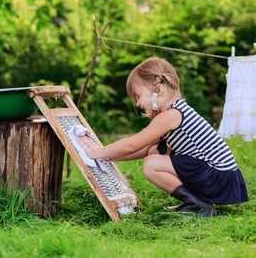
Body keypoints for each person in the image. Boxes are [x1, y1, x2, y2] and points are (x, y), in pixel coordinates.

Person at [87, 57, 248, 217]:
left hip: (218, 177)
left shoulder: (171, 115)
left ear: (158, 91)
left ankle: (197, 204)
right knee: (153, 151)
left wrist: (99, 152)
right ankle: (196, 202)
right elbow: (143, 148)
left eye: (138, 96)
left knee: (151, 164)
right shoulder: (175, 111)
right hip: (220, 176)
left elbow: (132, 144)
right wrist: (112, 158)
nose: (137, 103)